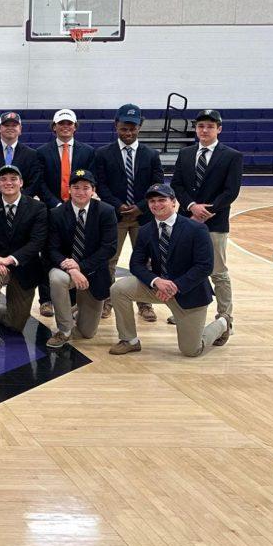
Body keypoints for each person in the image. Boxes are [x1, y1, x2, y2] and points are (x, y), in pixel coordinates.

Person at [109, 183, 230, 357]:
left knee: (191, 350)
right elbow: (136, 264)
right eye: (152, 201)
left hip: (189, 292)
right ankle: (129, 340)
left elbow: (204, 266)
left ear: (174, 202)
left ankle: (223, 323)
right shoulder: (145, 231)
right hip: (158, 288)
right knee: (119, 289)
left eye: (162, 200)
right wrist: (156, 281)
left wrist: (175, 286)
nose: (156, 204)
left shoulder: (197, 229)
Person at [171, 109, 242, 334]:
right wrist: (192, 206)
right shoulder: (185, 154)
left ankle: (225, 316)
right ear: (196, 128)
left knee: (218, 272)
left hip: (215, 223)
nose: (205, 130)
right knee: (184, 269)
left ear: (219, 129)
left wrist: (206, 210)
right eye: (201, 126)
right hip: (186, 220)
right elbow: (177, 185)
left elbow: (231, 191)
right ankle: (183, 310)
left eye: (210, 126)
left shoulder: (232, 156)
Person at [92, 104, 163, 322]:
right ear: (116, 126)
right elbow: (100, 185)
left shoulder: (151, 155)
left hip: (143, 218)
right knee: (109, 261)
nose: (128, 132)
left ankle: (145, 303)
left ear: (140, 127)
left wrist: (141, 206)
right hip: (115, 216)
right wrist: (118, 205)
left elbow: (158, 184)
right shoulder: (103, 154)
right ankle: (107, 301)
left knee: (146, 261)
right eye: (124, 128)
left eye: (132, 128)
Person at [0, 164, 49, 347]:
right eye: (3, 179)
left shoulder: (38, 208)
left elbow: (37, 242)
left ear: (21, 183)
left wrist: (9, 259)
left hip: (25, 267)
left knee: (16, 324)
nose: (8, 182)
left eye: (13, 178)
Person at [45, 169, 118, 349]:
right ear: (69, 190)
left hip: (94, 271)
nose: (80, 192)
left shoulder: (106, 211)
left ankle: (76, 310)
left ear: (93, 190)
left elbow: (109, 248)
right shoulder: (57, 214)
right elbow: (51, 249)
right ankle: (64, 329)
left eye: (86, 188)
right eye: (76, 187)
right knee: (56, 277)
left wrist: (80, 266)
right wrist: (71, 269)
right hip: (66, 270)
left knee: (87, 333)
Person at [34, 109, 96, 316]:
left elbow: (91, 182)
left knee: (73, 250)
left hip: (78, 209)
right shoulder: (42, 151)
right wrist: (56, 204)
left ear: (75, 127)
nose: (65, 127)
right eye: (61, 124)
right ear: (54, 127)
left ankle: (72, 300)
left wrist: (76, 204)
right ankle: (45, 299)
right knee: (47, 252)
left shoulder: (87, 151)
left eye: (69, 123)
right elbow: (39, 182)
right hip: (52, 209)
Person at [0, 112, 43, 203]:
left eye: (14, 125)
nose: (10, 128)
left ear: (20, 129)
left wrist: (17, 200)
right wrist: (0, 200)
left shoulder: (31, 154)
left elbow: (34, 183)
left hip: (22, 206)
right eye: (6, 125)